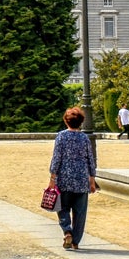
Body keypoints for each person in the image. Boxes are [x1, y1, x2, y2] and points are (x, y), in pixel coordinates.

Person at [49, 106, 98, 250]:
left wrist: (53, 178)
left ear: (66, 121)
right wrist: (92, 180)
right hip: (82, 179)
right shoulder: (84, 138)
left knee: (62, 208)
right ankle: (76, 241)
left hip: (64, 178)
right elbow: (90, 159)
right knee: (80, 212)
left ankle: (67, 231)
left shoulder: (61, 136)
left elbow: (56, 159)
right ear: (81, 122)